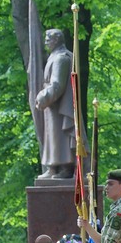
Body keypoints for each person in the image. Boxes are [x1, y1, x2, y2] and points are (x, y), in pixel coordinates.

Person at [34, 28, 79, 180]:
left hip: (59, 106)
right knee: (53, 137)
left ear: (58, 39)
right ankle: (53, 167)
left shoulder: (61, 58)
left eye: (49, 38)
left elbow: (57, 85)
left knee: (60, 137)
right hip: (53, 107)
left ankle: (65, 168)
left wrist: (42, 96)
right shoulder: (55, 56)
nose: (46, 40)